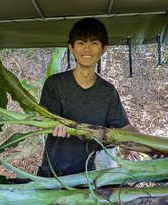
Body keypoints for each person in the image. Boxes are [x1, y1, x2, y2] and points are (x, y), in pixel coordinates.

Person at [37, 18, 138, 177]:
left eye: (94, 43)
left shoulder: (107, 92)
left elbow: (125, 127)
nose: (87, 49)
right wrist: (54, 126)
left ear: (104, 48)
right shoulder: (55, 84)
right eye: (81, 43)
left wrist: (145, 145)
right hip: (52, 174)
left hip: (87, 176)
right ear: (71, 48)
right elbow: (44, 123)